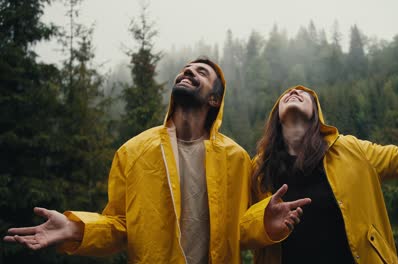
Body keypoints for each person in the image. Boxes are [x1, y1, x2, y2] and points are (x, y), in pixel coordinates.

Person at [4, 57, 253, 263]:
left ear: (215, 100)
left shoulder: (237, 160)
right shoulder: (134, 152)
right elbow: (120, 226)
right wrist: (76, 228)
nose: (187, 70)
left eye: (201, 72)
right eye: (185, 68)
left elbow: (246, 228)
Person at [240, 85, 398, 264]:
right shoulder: (259, 169)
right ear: (276, 117)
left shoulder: (352, 150)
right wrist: (264, 223)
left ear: (316, 115)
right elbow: (237, 230)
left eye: (304, 93)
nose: (294, 91)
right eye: (286, 94)